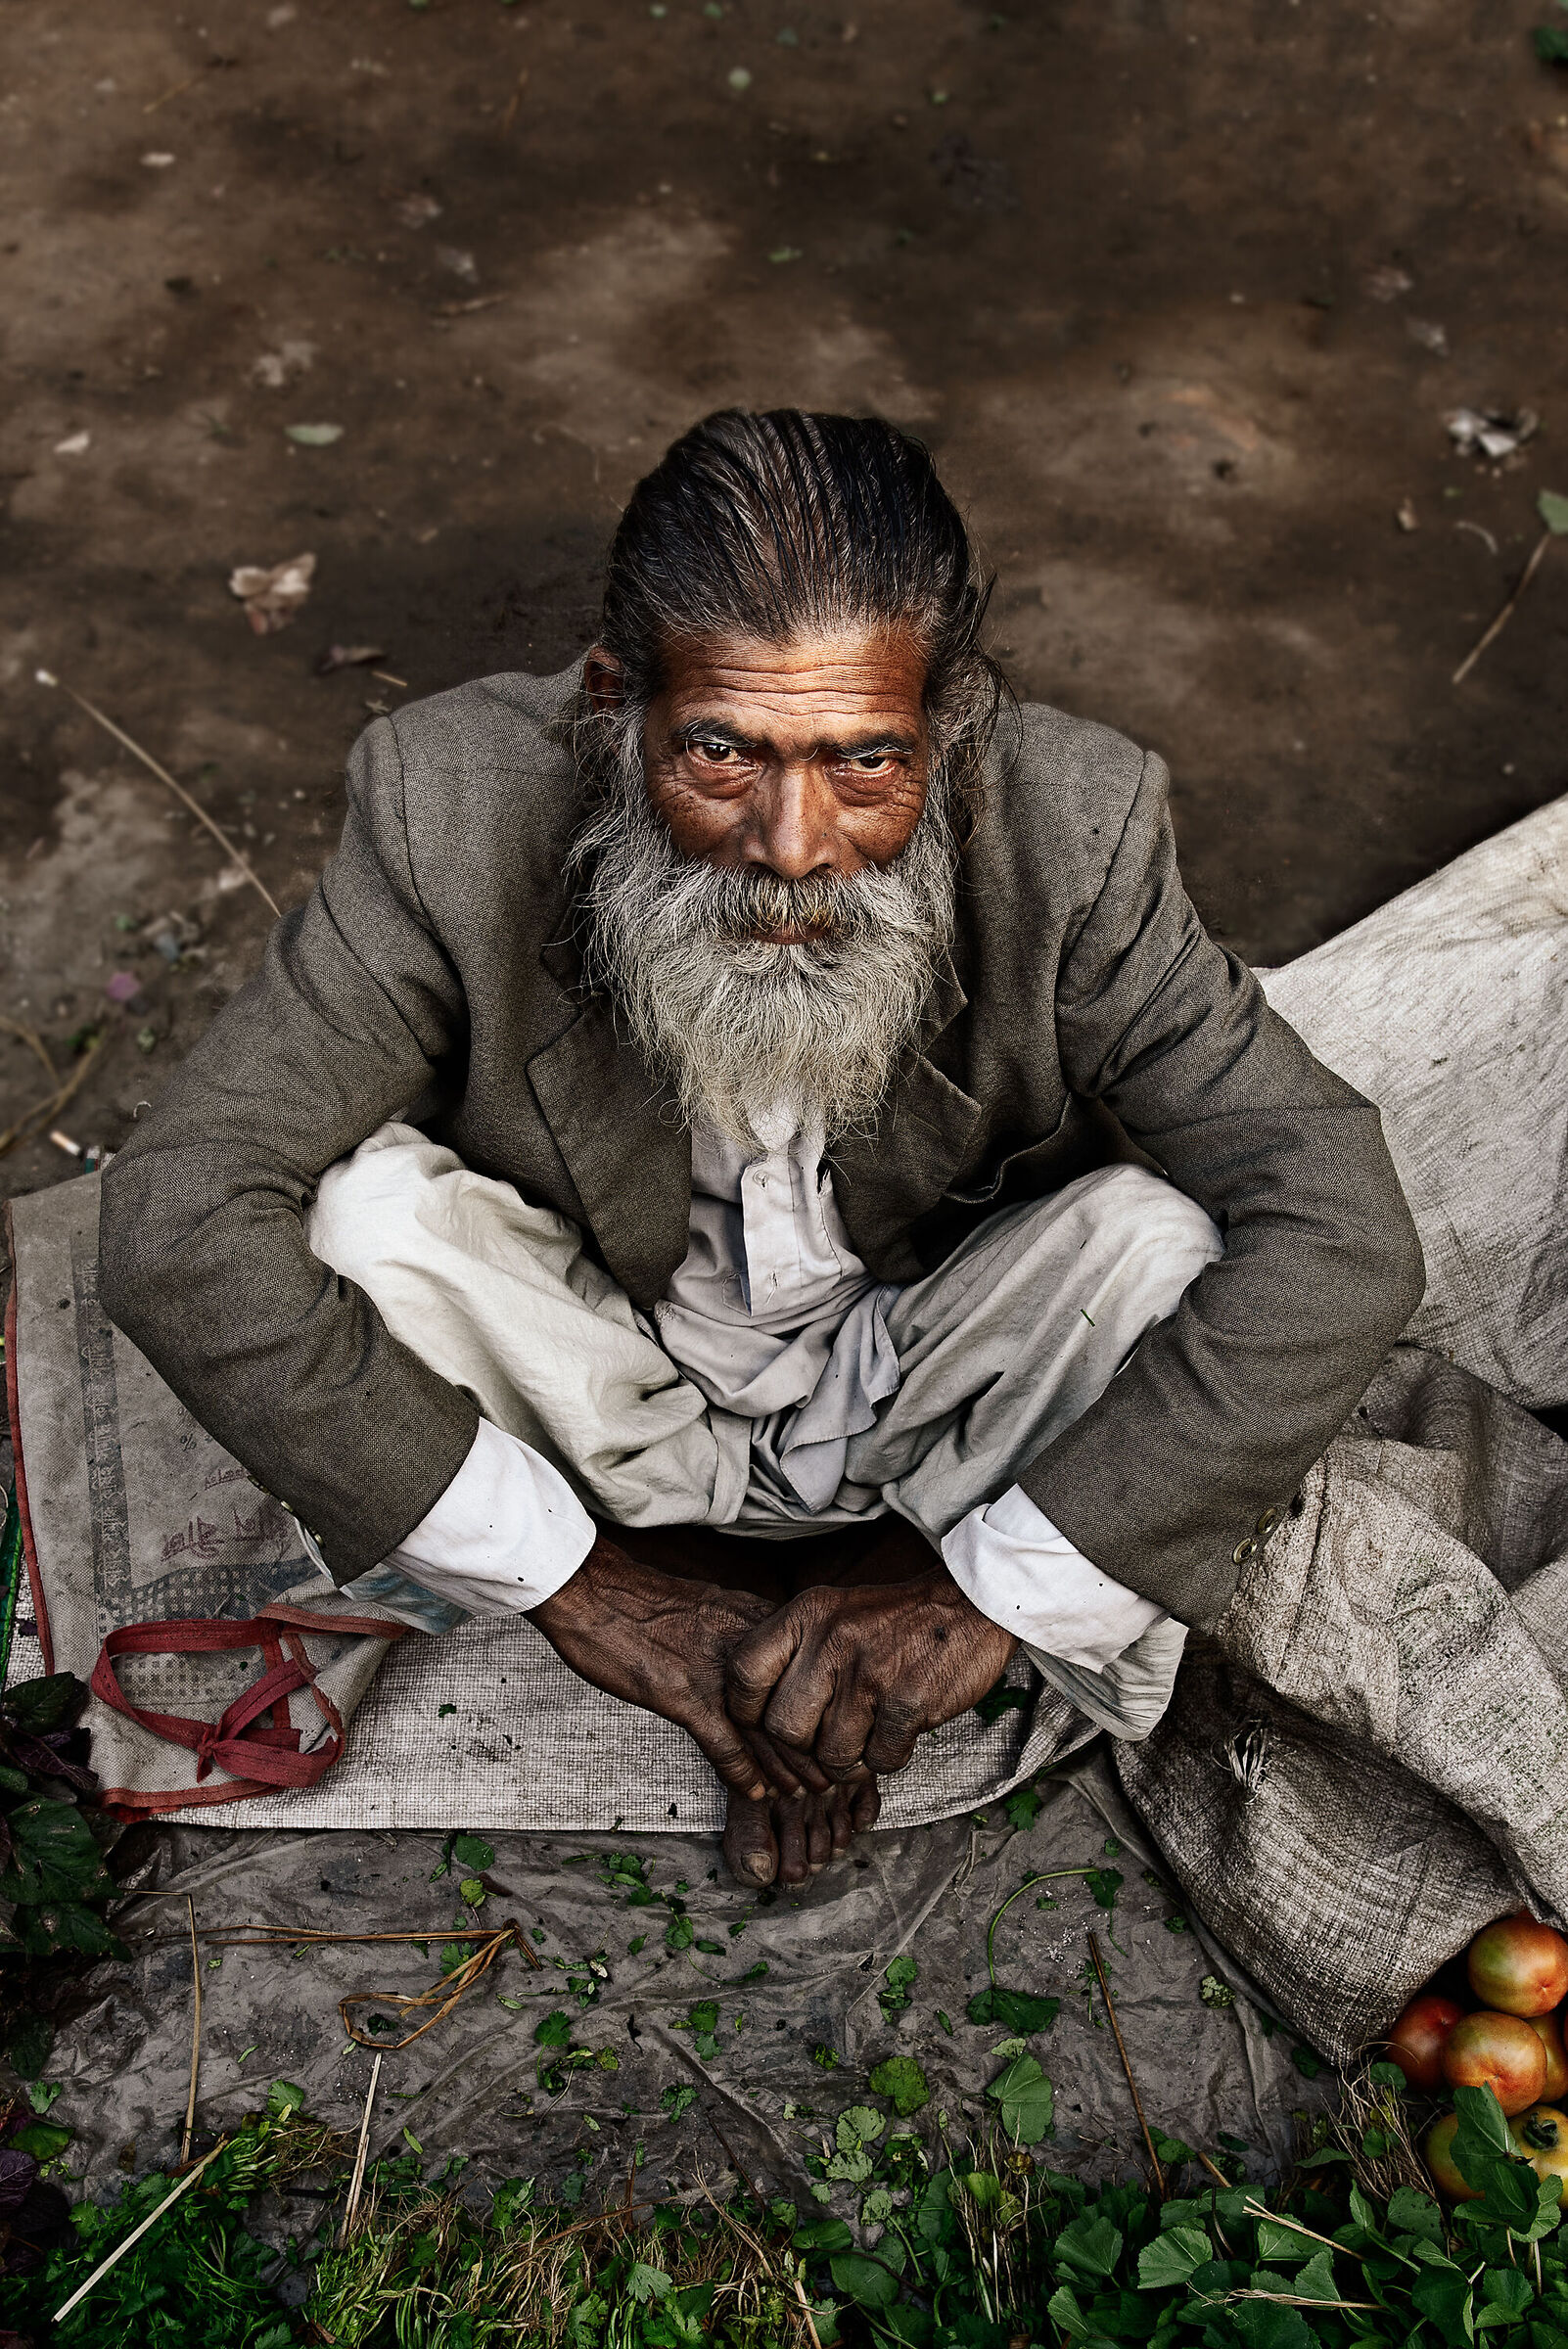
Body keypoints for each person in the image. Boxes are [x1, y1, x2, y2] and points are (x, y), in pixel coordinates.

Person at [98, 409, 1424, 1888]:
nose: (793, 844)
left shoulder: (1077, 824)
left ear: (954, 723)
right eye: (721, 752)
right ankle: (700, 1596)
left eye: (866, 762)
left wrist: (976, 1596)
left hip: (924, 1383)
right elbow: (177, 1214)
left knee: (1154, 1244)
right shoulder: (444, 805)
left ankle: (868, 1597)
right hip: (604, 1387)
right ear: (617, 707)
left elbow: (1339, 1231)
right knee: (367, 1225)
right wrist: (591, 1589)